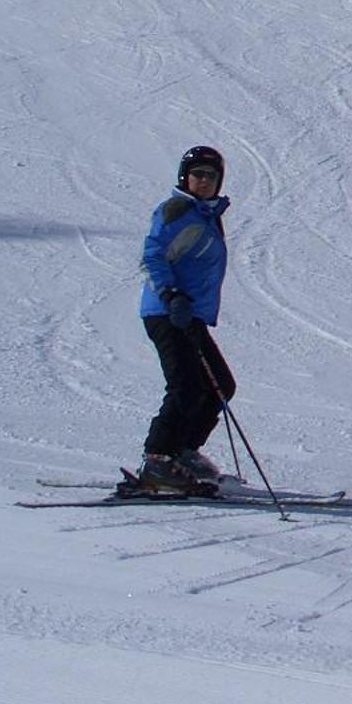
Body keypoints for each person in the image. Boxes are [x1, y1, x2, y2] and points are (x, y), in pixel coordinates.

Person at [135, 145, 236, 490]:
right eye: (198, 174)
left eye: (212, 176)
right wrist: (170, 294)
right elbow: (152, 256)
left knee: (219, 386)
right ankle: (159, 460)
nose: (205, 181)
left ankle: (182, 452)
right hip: (168, 312)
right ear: (185, 177)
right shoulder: (177, 211)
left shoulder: (205, 215)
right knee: (187, 386)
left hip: (188, 314)